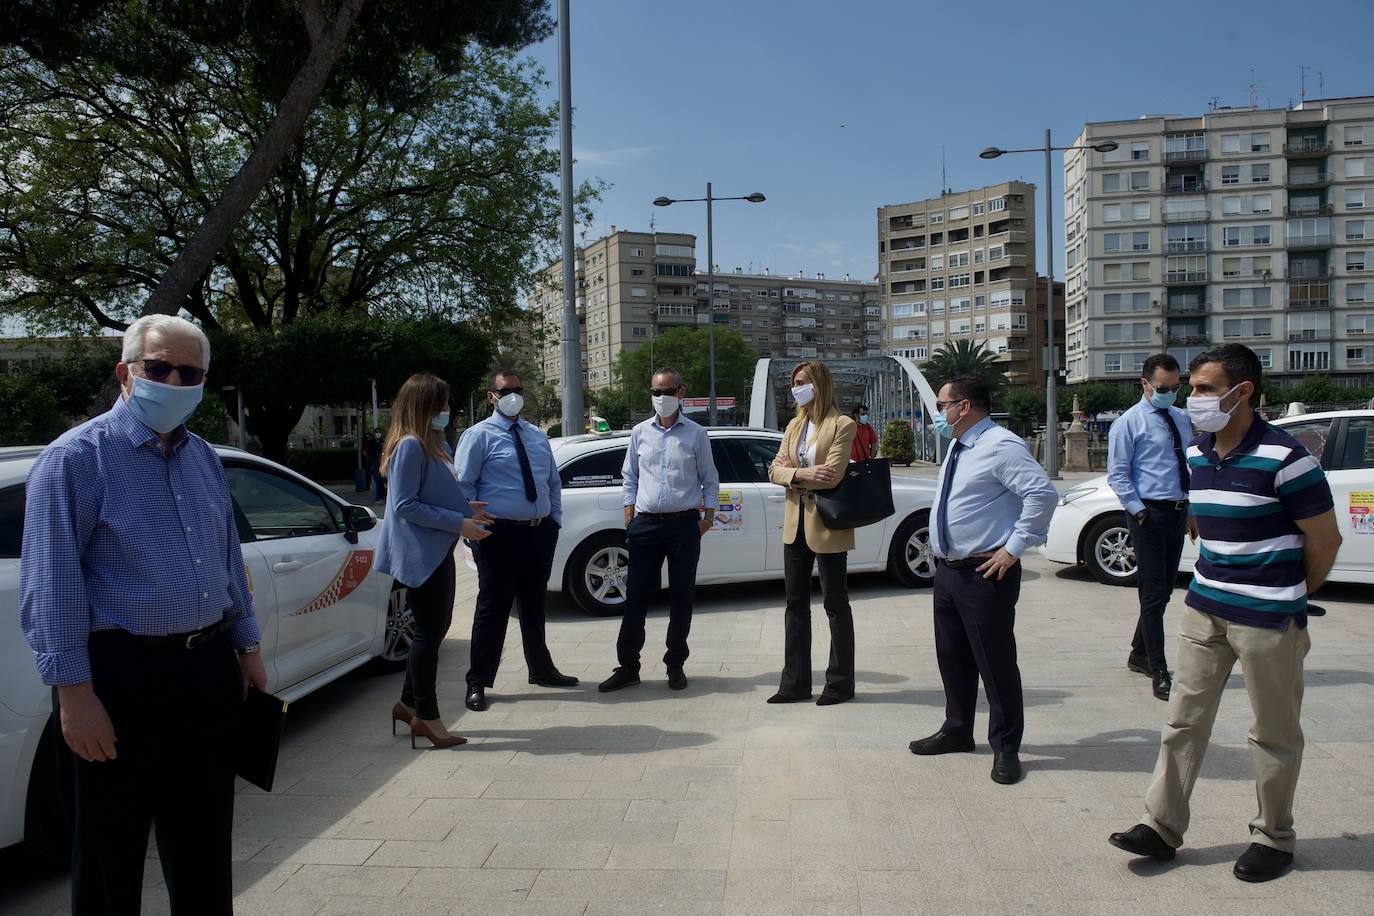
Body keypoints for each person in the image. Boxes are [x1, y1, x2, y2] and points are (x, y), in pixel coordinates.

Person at [20, 315, 265, 915]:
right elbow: (51, 585)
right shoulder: (75, 460)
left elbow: (227, 558)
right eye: (159, 368)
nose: (175, 381)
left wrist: (248, 649)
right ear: (125, 372)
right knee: (111, 851)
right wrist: (74, 696)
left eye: (191, 372)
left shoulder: (203, 457)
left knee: (205, 843)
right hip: (121, 677)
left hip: (206, 668)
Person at [1109, 344, 1342, 883]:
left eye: (1206, 389)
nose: (1193, 399)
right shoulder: (1198, 453)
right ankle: (1160, 827)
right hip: (1205, 611)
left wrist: (1287, 592)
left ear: (1244, 393)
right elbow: (1205, 526)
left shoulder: (1288, 459)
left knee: (1272, 733)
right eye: (1192, 388)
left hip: (1268, 621)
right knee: (1182, 722)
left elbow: (1324, 541)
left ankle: (1273, 837)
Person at [910, 375, 1057, 786]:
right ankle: (957, 729)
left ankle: (1006, 747)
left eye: (942, 405)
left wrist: (1013, 549)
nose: (938, 413)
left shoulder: (1001, 446)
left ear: (965, 407)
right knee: (952, 657)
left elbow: (1042, 495)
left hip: (984, 572)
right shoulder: (959, 444)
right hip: (948, 571)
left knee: (995, 663)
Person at [375, 373, 491, 749]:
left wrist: (465, 509)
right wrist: (460, 522)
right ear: (425, 405)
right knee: (428, 634)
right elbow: (406, 505)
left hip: (434, 551)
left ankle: (408, 704)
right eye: (442, 402)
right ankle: (427, 715)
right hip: (421, 555)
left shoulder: (427, 444)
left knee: (433, 630)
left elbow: (429, 495)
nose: (447, 409)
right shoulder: (410, 445)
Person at [455, 370, 579, 711]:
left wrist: (552, 519)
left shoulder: (536, 435)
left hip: (538, 531)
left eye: (518, 389)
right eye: (505, 390)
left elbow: (552, 481)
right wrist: (472, 528)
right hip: (498, 534)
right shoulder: (478, 436)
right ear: (491, 395)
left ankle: (540, 668)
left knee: (534, 604)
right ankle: (478, 681)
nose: (513, 395)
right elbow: (463, 488)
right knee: (493, 608)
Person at [599, 368, 720, 693]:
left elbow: (710, 479)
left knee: (682, 598)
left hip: (684, 526)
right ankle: (628, 666)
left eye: (667, 391)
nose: (660, 398)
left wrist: (707, 519)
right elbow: (630, 478)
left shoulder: (696, 434)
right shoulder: (640, 432)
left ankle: (675, 663)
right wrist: (629, 518)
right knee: (636, 597)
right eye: (655, 391)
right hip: (646, 525)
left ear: (681, 392)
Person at [766, 360, 859, 706]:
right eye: (793, 382)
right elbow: (773, 469)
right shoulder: (794, 425)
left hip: (827, 525)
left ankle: (839, 684)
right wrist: (801, 474)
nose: (796, 388)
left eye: (802, 381)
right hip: (795, 524)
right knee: (795, 605)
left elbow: (832, 476)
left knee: (836, 604)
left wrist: (794, 472)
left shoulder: (842, 425)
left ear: (818, 384)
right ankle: (795, 683)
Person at [1106, 353, 1195, 701]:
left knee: (1165, 590)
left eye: (1175, 388)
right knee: (1153, 592)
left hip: (1177, 510)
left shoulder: (1181, 419)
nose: (1170, 394)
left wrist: (1192, 509)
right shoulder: (1129, 423)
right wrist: (1138, 511)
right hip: (1148, 512)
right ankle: (1158, 667)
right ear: (1145, 384)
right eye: (1163, 388)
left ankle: (1139, 651)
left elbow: (1189, 464)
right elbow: (1118, 473)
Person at [363, 430, 386, 501]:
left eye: (379, 432)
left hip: (381, 463)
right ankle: (381, 496)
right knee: (378, 479)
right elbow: (365, 452)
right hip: (373, 462)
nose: (378, 434)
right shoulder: (370, 442)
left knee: (380, 480)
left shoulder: (383, 441)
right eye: (376, 433)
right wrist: (369, 459)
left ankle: (380, 497)